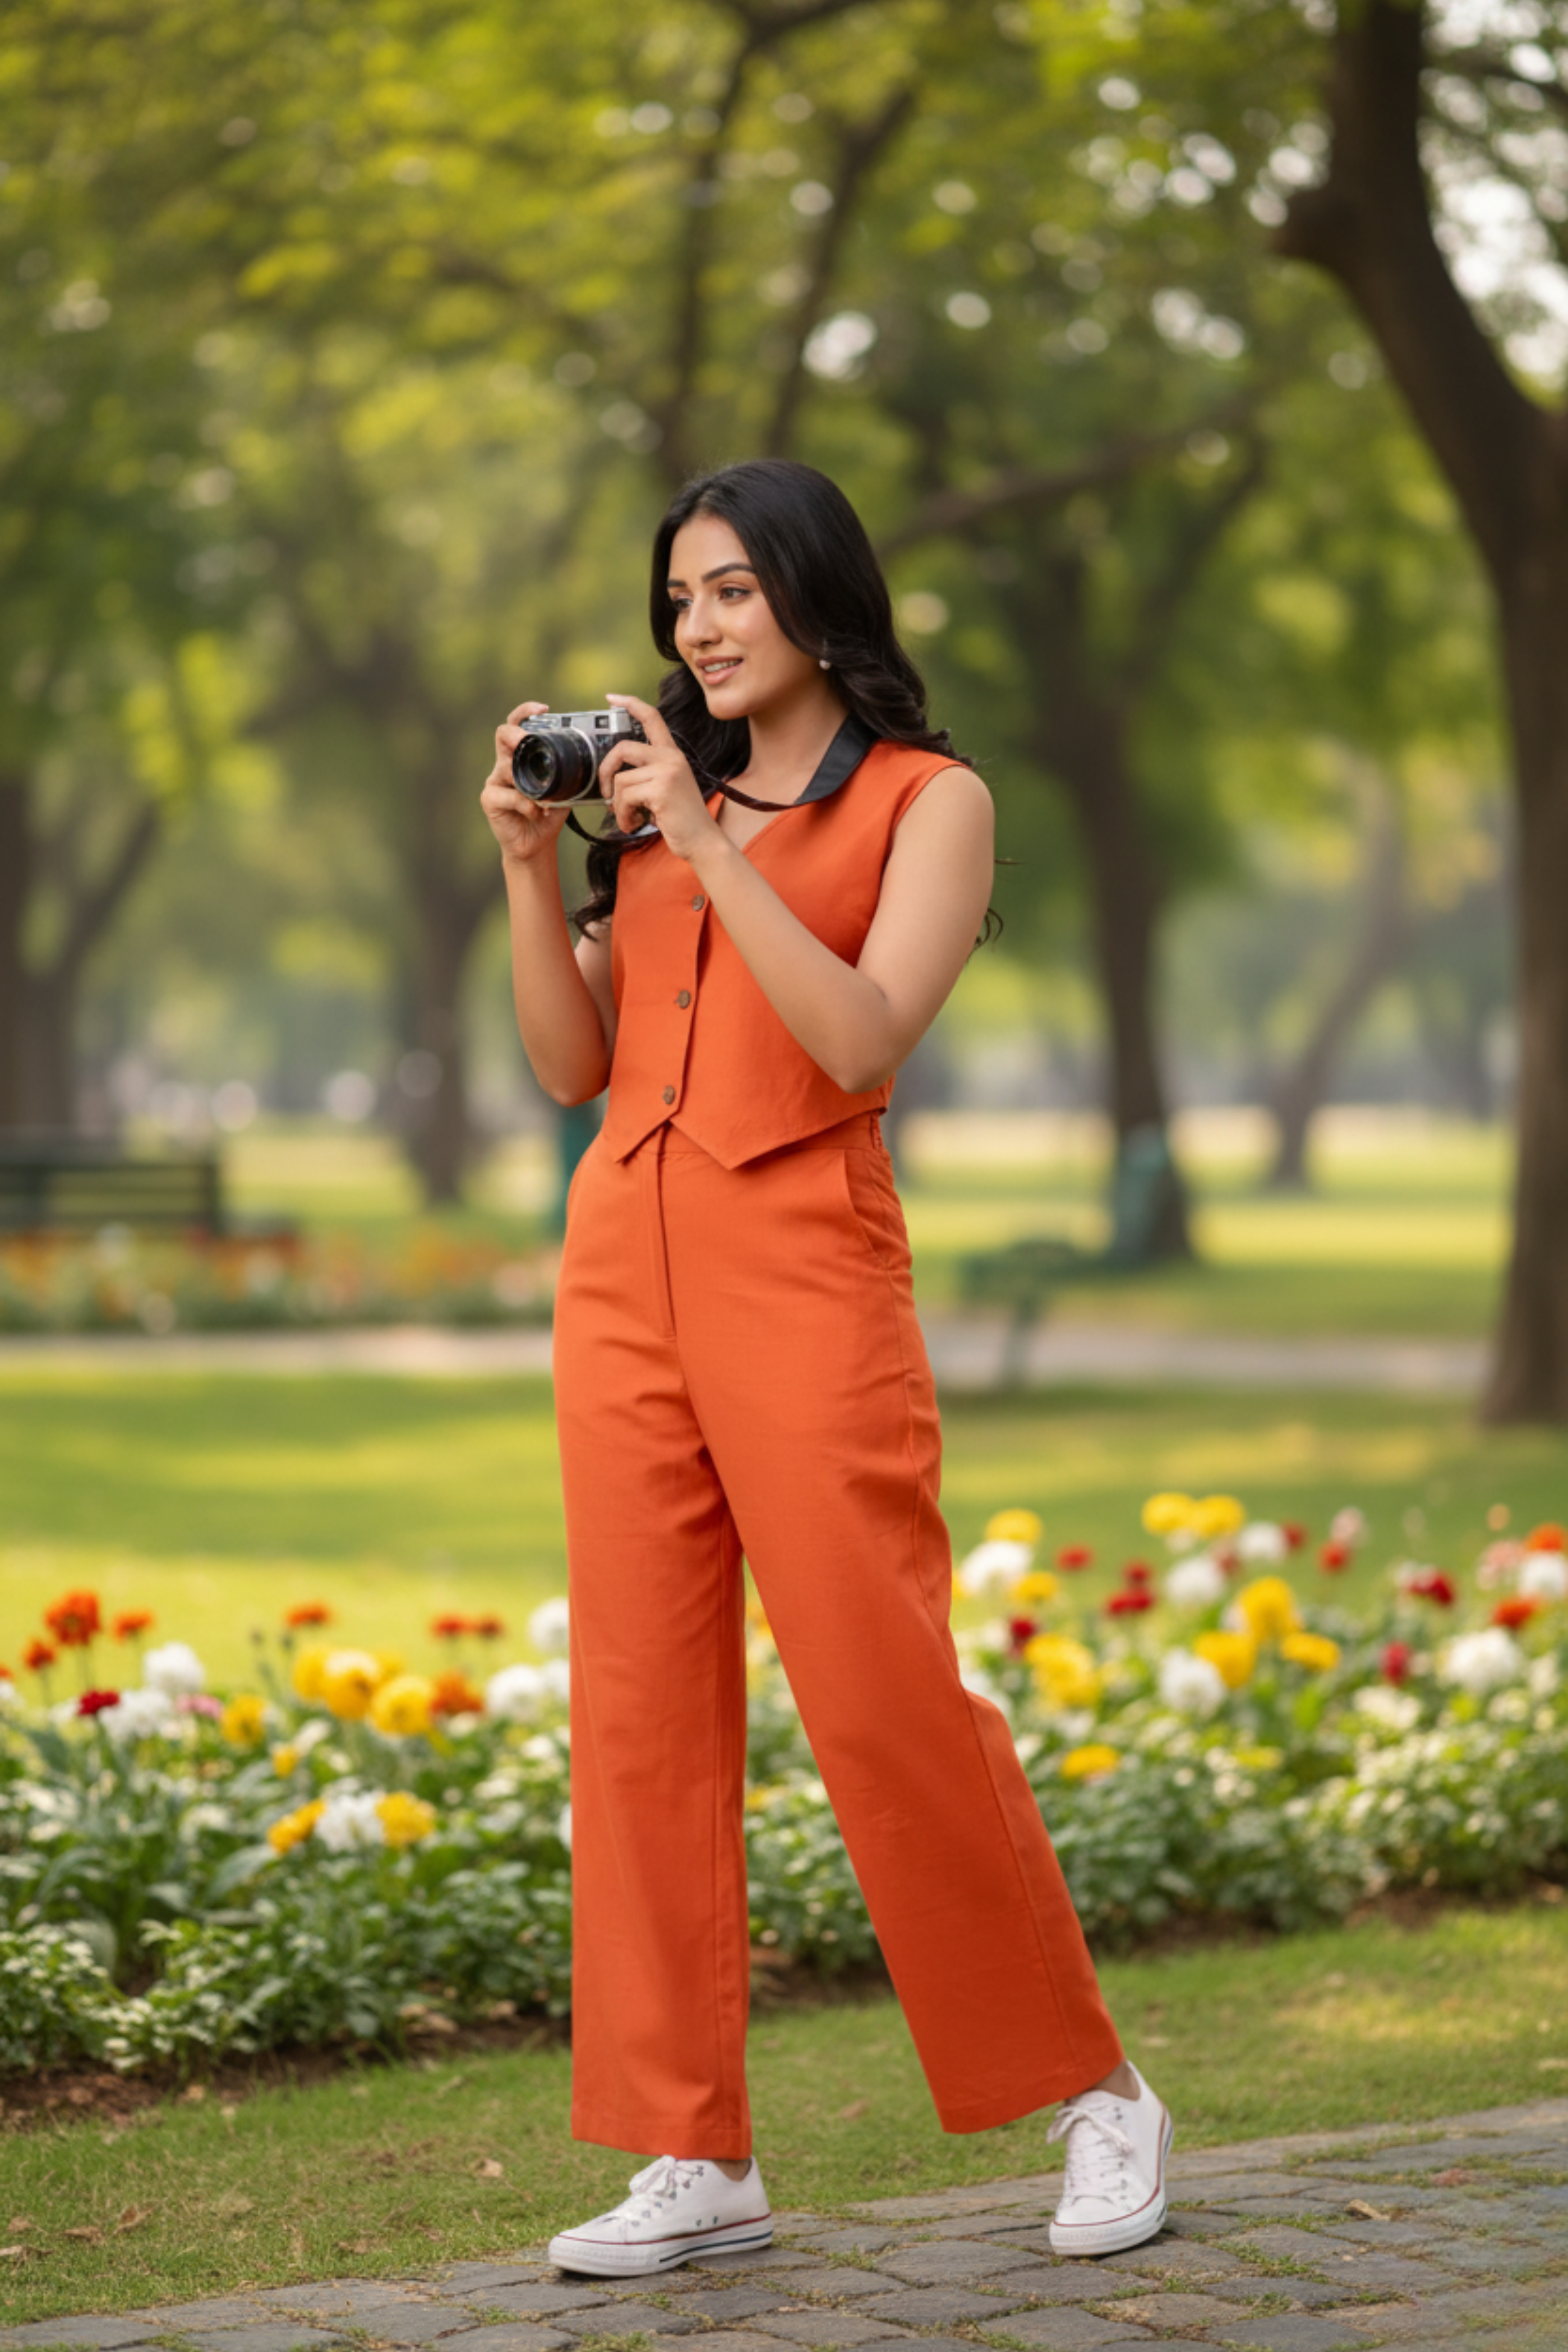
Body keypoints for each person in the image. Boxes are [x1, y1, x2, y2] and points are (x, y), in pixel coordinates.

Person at [479, 458, 1172, 2278]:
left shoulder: (934, 803)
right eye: (680, 602)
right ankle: (689, 2146)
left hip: (802, 1258)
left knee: (879, 1683)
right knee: (636, 1705)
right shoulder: (644, 814)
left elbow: (859, 1036)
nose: (700, 630)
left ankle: (1095, 2087)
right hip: (623, 1260)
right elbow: (571, 1066)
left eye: (729, 592)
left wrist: (707, 847)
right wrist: (533, 868)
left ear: (812, 593)